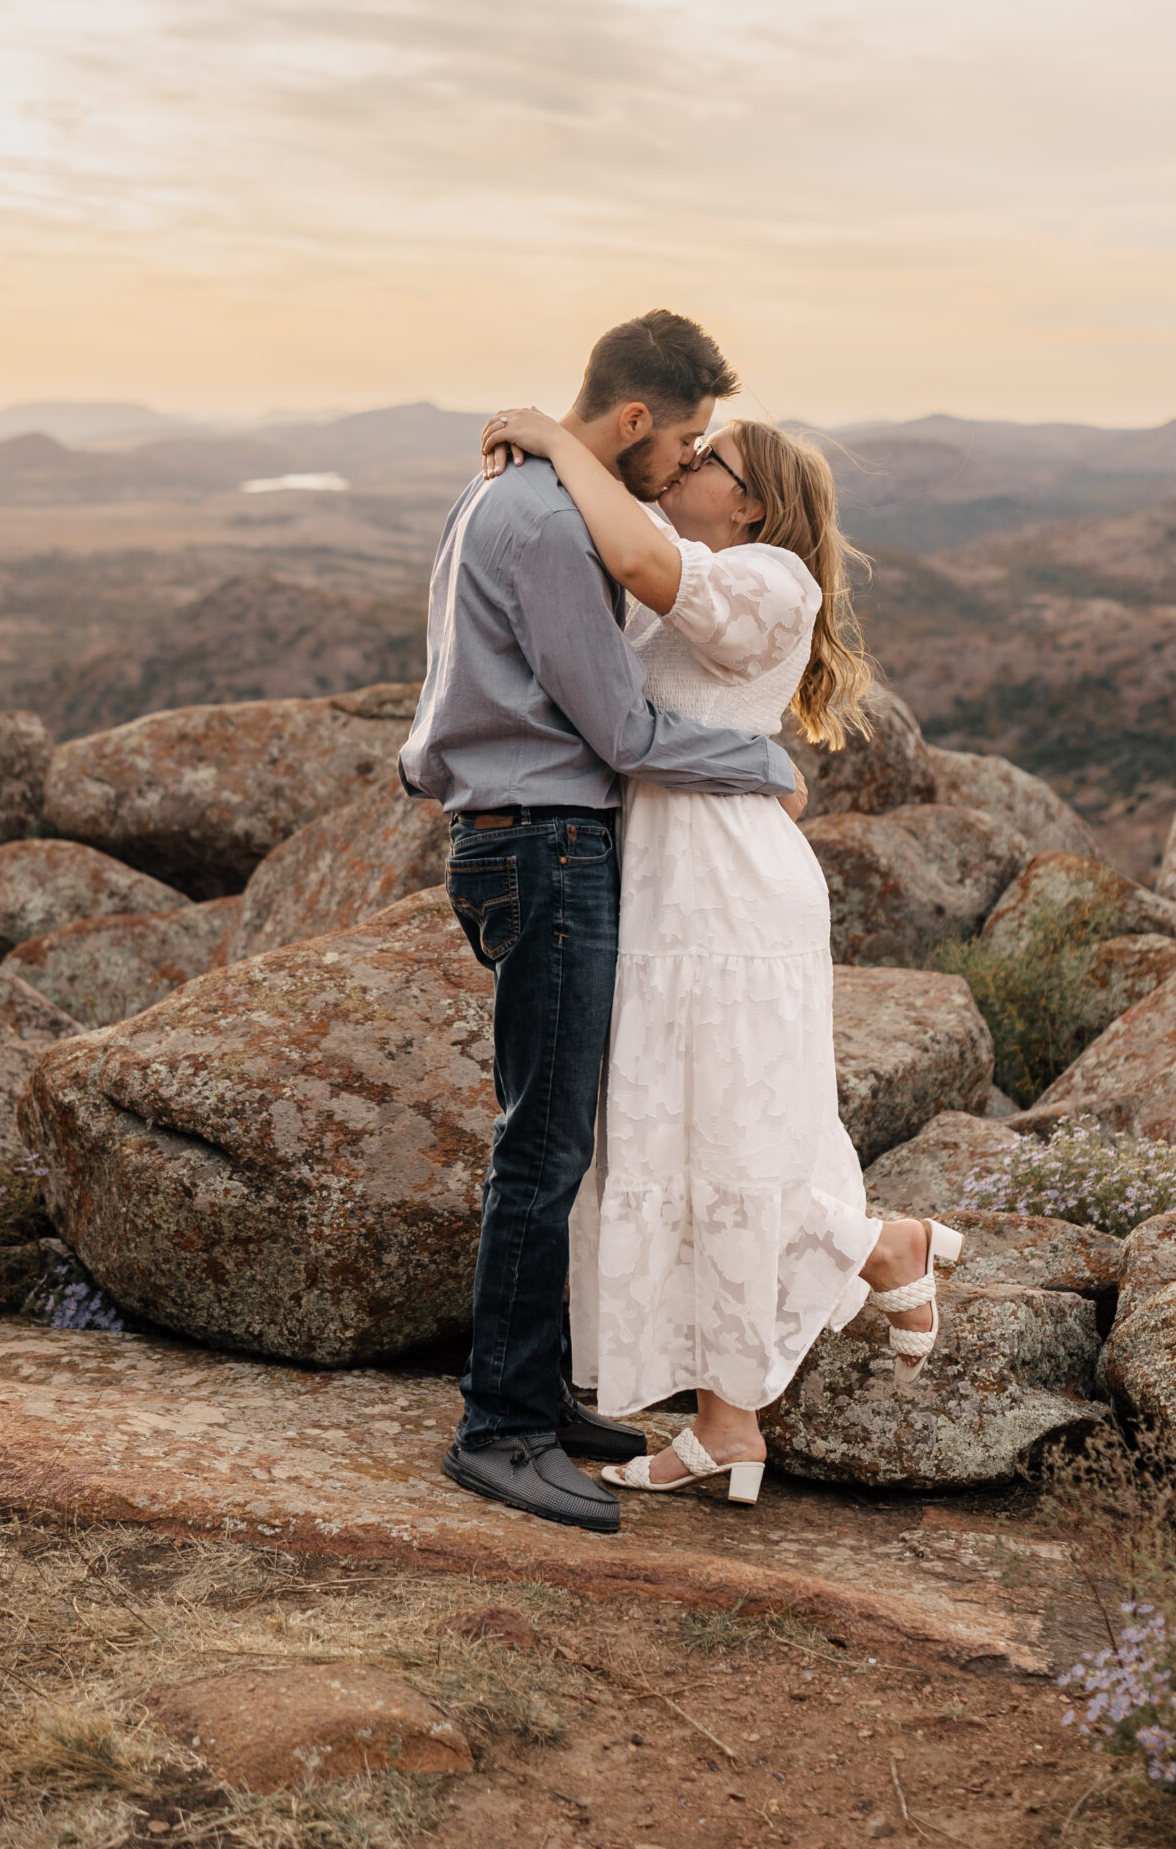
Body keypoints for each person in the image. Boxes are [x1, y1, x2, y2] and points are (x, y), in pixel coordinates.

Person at [477, 402, 961, 1509]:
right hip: (664, 878)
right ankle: (728, 1423)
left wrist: (558, 441)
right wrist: (557, 453)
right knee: (671, 1133)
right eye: (689, 448)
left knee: (727, 1133)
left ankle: (885, 1244)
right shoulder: (699, 560)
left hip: (726, 892)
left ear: (750, 501)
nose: (688, 462)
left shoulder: (773, 577)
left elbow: (641, 556)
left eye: (711, 458)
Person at [399, 310, 810, 1536]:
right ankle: (502, 1429)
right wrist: (761, 761)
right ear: (635, 421)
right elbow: (623, 732)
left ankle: (535, 1395)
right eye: (679, 443)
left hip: (529, 836)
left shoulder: (520, 496)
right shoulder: (543, 520)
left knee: (562, 1137)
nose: (680, 467)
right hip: (544, 840)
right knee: (542, 1149)